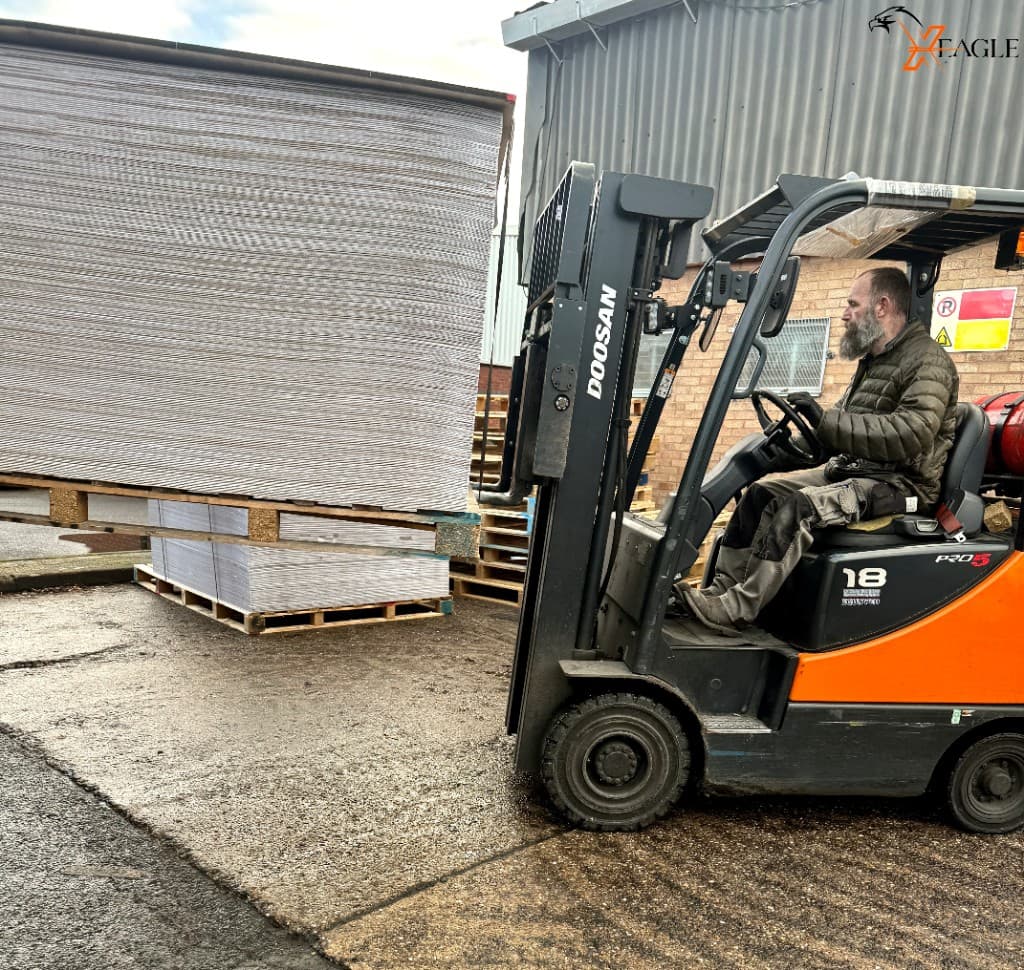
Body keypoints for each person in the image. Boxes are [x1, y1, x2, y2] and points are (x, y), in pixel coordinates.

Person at [678, 266, 960, 633]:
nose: (844, 314)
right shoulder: (875, 362)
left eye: (853, 305)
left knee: (798, 507)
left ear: (882, 306)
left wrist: (825, 422)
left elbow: (911, 433)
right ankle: (720, 592)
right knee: (759, 495)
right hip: (854, 470)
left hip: (899, 486)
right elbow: (834, 431)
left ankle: (739, 609)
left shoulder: (928, 361)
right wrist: (779, 451)